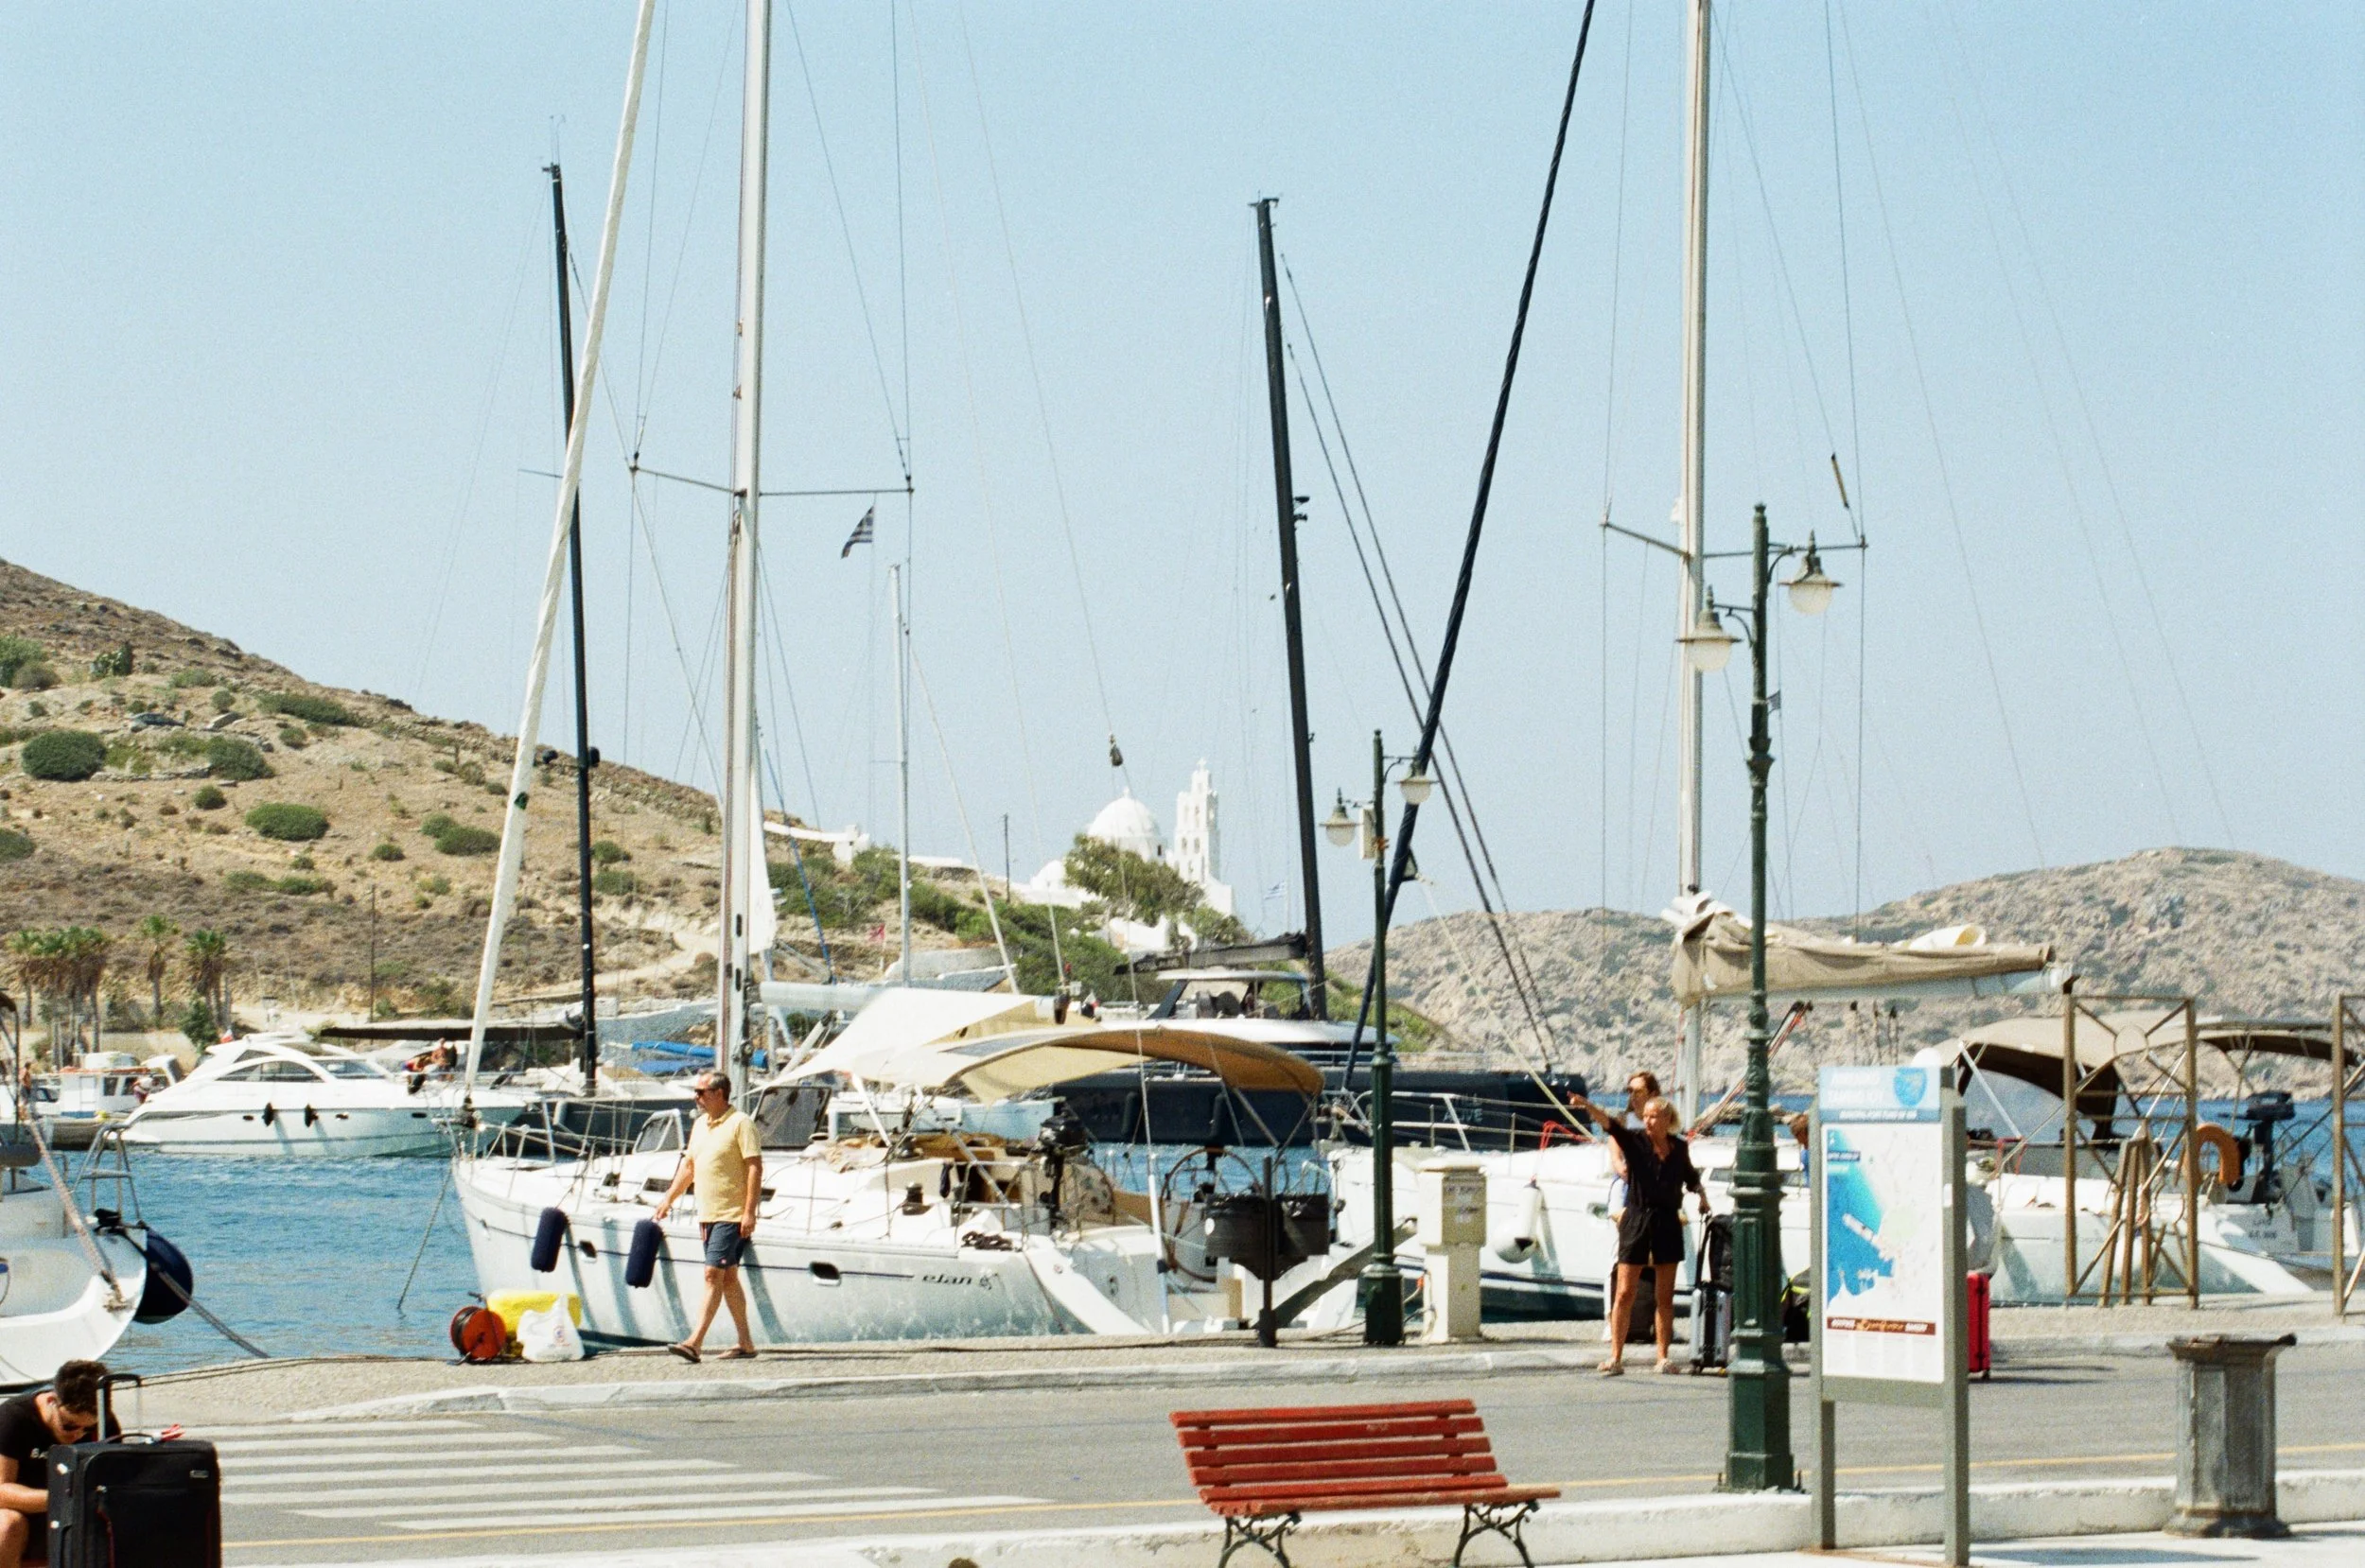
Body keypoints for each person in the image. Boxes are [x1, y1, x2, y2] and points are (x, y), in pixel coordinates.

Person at [1574, 1092, 1707, 1375]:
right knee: (1624, 1292)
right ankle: (1615, 1357)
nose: (1647, 1120)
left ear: (1667, 1119)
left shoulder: (1679, 1148)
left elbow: (1691, 1176)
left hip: (1667, 1220)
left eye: (1653, 1116)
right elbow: (1610, 1125)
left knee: (1664, 1295)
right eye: (1645, 1115)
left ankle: (1663, 1357)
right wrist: (1587, 1106)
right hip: (1636, 1217)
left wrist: (1702, 1196)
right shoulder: (1636, 1142)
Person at [0, 1359, 178, 1568]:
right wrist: (67, 1497)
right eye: (69, 1426)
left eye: (87, 1429)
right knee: (7, 1524)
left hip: (75, 1515)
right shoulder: (14, 1418)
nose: (77, 1435)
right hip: (26, 1514)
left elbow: (115, 1479)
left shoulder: (105, 1423)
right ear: (51, 1400)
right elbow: (2, 1491)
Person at [652, 1071, 762, 1364]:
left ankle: (694, 1342)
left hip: (732, 1214)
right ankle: (746, 1344)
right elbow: (689, 1167)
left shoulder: (741, 1123)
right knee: (728, 1279)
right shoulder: (701, 1125)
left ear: (719, 1094)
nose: (696, 1097)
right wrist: (668, 1199)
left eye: (701, 1092)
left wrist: (749, 1211)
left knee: (712, 1274)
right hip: (708, 1214)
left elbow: (754, 1167)